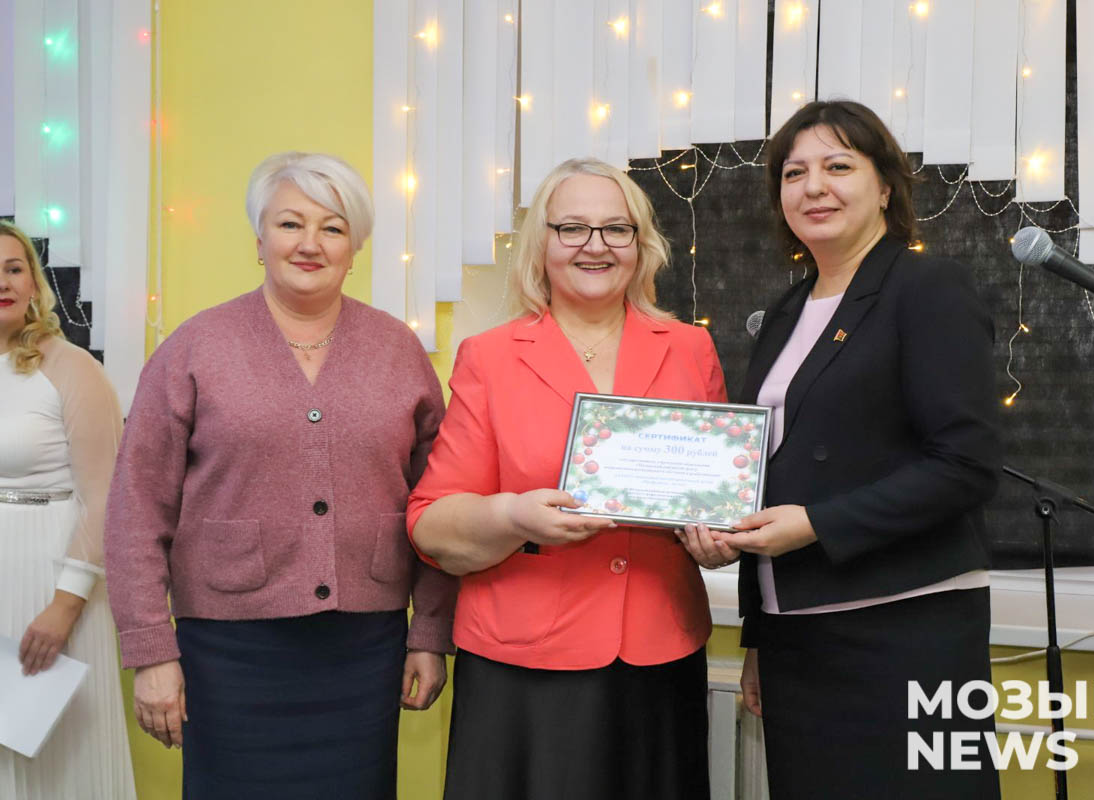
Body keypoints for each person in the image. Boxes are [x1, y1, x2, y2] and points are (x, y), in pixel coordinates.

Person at [104, 152, 457, 799]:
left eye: (333, 227)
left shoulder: (398, 350)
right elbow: (136, 507)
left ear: (356, 247)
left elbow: (437, 504)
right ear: (259, 239)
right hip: (228, 653)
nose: (310, 243)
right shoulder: (195, 346)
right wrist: (151, 651)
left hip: (365, 649)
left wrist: (430, 632)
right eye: (291, 223)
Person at [677, 100, 1002, 798]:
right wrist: (758, 631)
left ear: (885, 186)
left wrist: (817, 525)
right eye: (794, 173)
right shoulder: (785, 311)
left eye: (838, 166)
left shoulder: (927, 288)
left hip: (904, 628)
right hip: (796, 639)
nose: (813, 187)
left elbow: (966, 465)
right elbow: (775, 469)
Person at [408, 157, 726, 800]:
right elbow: (431, 522)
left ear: (641, 244)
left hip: (659, 652)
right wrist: (512, 517)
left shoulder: (691, 349)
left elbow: (712, 494)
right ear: (541, 244)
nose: (595, 245)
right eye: (573, 228)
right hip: (522, 664)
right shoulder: (490, 357)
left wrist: (717, 537)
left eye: (616, 229)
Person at [0, 222, 136, 798]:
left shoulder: (71, 367)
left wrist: (66, 604)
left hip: (52, 583)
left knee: (54, 762)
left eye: (13, 268)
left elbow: (106, 495)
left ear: (33, 282)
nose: (3, 282)